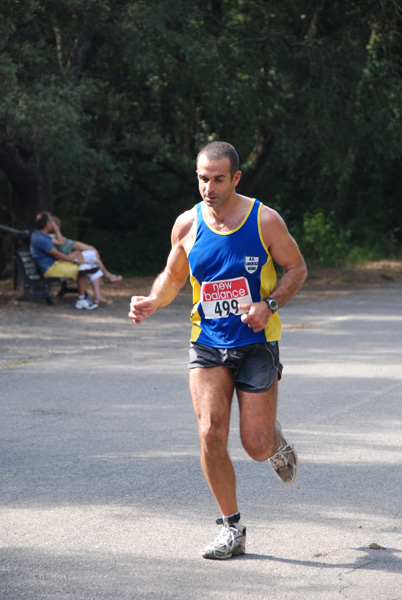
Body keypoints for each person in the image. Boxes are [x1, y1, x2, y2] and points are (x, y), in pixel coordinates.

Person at [128, 141, 307, 559]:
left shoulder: (264, 220)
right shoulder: (186, 224)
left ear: (236, 178)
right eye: (203, 178)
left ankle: (275, 442)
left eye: (218, 179)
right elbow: (173, 276)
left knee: (255, 445)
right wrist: (154, 300)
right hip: (207, 342)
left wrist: (270, 305)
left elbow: (296, 268)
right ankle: (232, 528)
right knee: (210, 431)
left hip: (257, 342)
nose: (209, 187)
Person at [30, 212, 99, 310]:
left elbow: (61, 243)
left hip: (54, 264)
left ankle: (83, 297)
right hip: (50, 268)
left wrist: (56, 229)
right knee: (82, 270)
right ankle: (81, 299)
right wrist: (73, 260)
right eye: (51, 221)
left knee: (80, 260)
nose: (53, 223)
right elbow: (57, 254)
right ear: (47, 224)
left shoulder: (42, 235)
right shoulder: (41, 238)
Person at [50, 216, 123, 305]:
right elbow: (68, 244)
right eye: (55, 225)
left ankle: (98, 296)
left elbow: (72, 244)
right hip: (63, 262)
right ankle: (108, 276)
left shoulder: (54, 236)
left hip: (68, 260)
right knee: (92, 256)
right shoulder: (50, 237)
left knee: (94, 265)